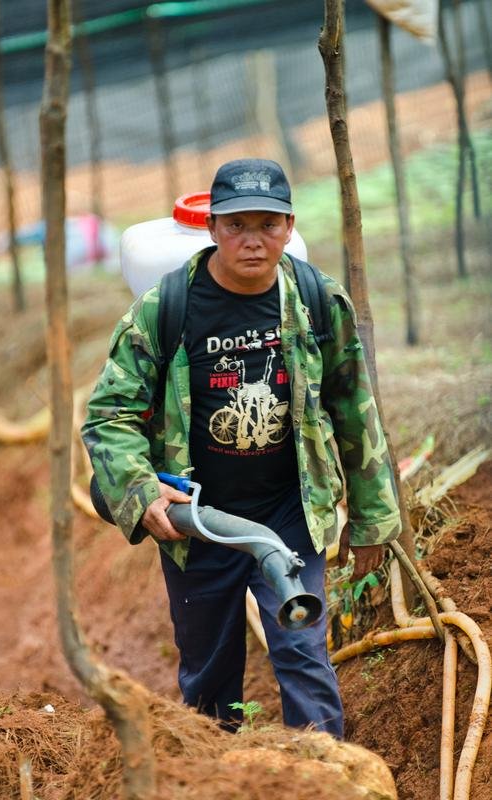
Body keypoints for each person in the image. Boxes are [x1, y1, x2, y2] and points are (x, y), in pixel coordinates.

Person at [81, 158, 401, 738]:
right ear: (211, 228)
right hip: (198, 520)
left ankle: (324, 768)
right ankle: (217, 770)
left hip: (290, 509)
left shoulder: (316, 300)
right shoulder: (165, 309)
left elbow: (354, 406)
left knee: (304, 651)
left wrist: (374, 517)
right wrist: (140, 489)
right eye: (236, 225)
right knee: (209, 673)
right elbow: (110, 414)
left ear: (289, 227)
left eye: (268, 225)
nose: (252, 240)